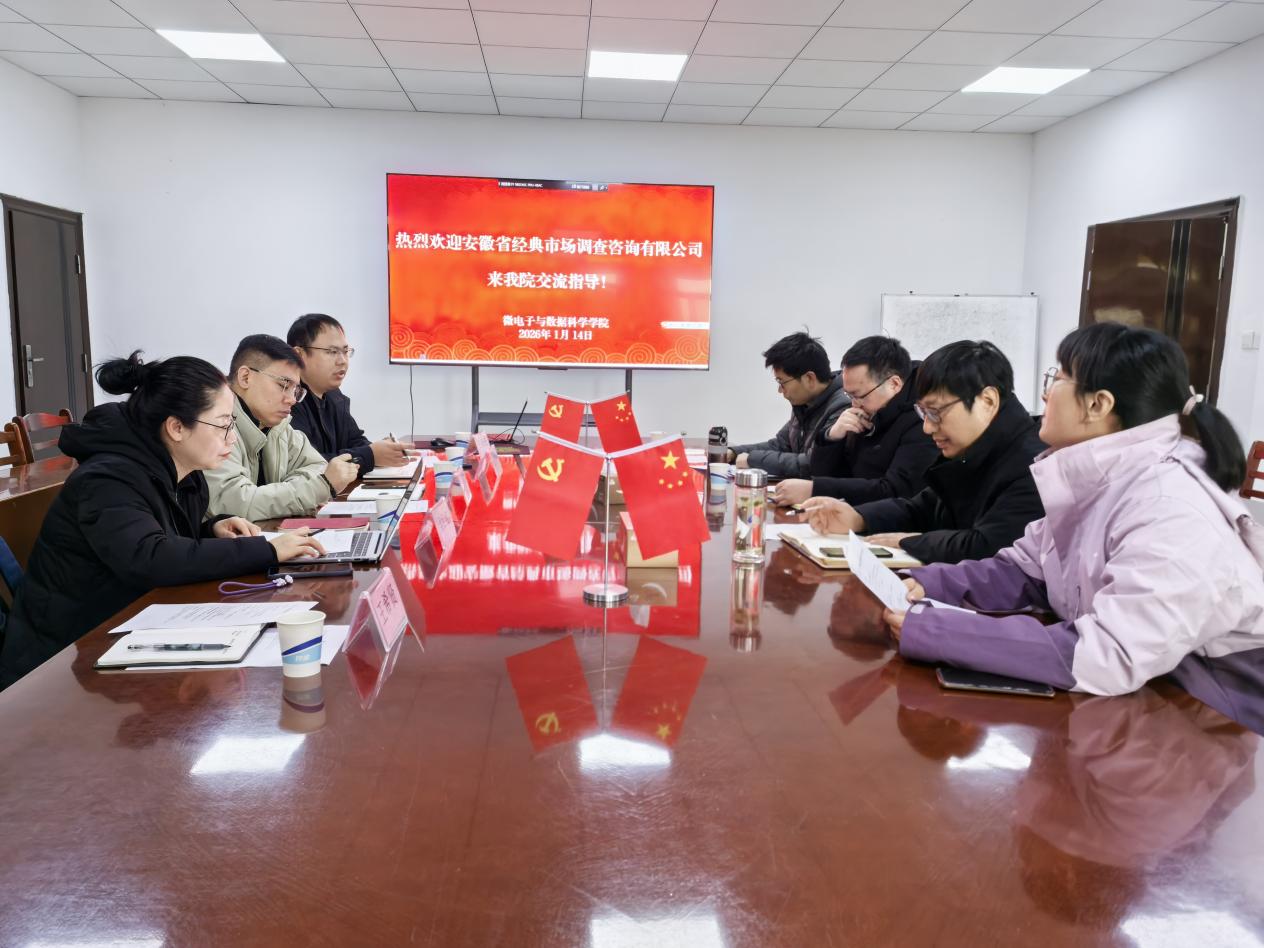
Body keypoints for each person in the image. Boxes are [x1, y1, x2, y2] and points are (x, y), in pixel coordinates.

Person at [885, 323, 1264, 733]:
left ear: (1098, 404)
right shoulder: (1099, 480)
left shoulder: (1168, 505)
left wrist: (941, 632)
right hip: (1140, 699)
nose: (1045, 395)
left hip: (1211, 721)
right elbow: (1024, 570)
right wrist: (927, 584)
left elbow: (1110, 653)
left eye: (1058, 378)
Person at [0, 352, 324, 688]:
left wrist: (211, 528)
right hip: (58, 665)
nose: (232, 437)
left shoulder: (184, 471)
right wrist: (266, 551)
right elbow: (151, 557)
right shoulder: (106, 479)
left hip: (124, 637)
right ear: (176, 427)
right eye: (223, 424)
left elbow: (165, 535)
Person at [803, 340, 1045, 564]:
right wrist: (858, 517)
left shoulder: (1034, 466)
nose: (927, 428)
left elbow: (989, 547)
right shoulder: (972, 450)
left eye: (935, 413)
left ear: (988, 401)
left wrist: (910, 542)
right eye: (923, 413)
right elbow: (921, 509)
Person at [206, 334, 360, 520]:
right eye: (283, 385)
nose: (292, 400)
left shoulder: (278, 426)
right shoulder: (214, 426)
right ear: (245, 377)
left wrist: (287, 495)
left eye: (296, 390)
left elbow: (318, 466)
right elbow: (237, 503)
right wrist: (317, 488)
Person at [772, 335, 937, 508]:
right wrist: (831, 438)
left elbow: (896, 491)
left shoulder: (922, 421)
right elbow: (831, 475)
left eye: (859, 395)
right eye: (849, 395)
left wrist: (815, 489)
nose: (854, 404)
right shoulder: (865, 412)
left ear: (894, 384)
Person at [287, 313, 407, 474]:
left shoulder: (334, 396)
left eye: (345, 351)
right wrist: (370, 455)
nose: (342, 360)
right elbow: (309, 464)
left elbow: (355, 441)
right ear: (299, 355)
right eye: (332, 352)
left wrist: (380, 450)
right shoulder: (287, 401)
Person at [725, 331, 849, 478]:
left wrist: (752, 459)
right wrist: (734, 452)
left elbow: (810, 464)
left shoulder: (842, 407)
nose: (780, 390)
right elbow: (780, 445)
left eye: (782, 382)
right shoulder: (804, 404)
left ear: (809, 378)